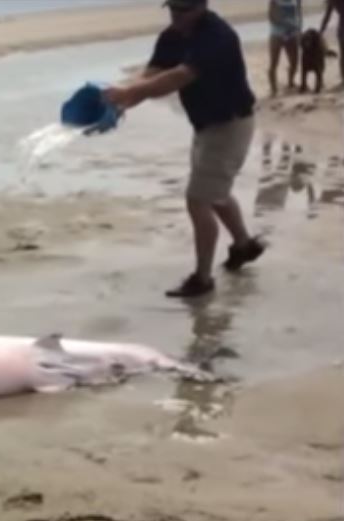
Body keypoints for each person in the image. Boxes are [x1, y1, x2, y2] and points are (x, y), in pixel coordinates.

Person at [103, 0, 264, 298]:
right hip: (205, 125)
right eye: (172, 9)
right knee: (214, 190)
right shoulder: (172, 36)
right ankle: (244, 245)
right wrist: (120, 104)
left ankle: (202, 280)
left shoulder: (218, 36)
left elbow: (179, 77)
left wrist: (128, 93)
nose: (177, 15)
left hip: (230, 124)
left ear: (202, 6)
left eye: (184, 10)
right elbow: (152, 74)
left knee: (198, 199)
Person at [267, 0, 303, 96]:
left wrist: (299, 29)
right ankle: (273, 89)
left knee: (294, 62)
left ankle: (291, 82)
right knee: (274, 63)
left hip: (292, 34)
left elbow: (299, 14)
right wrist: (287, 23)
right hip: (277, 34)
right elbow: (271, 17)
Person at [320, 0, 344, 87]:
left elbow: (327, 16)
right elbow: (327, 16)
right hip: (342, 29)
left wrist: (321, 31)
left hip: (342, 29)